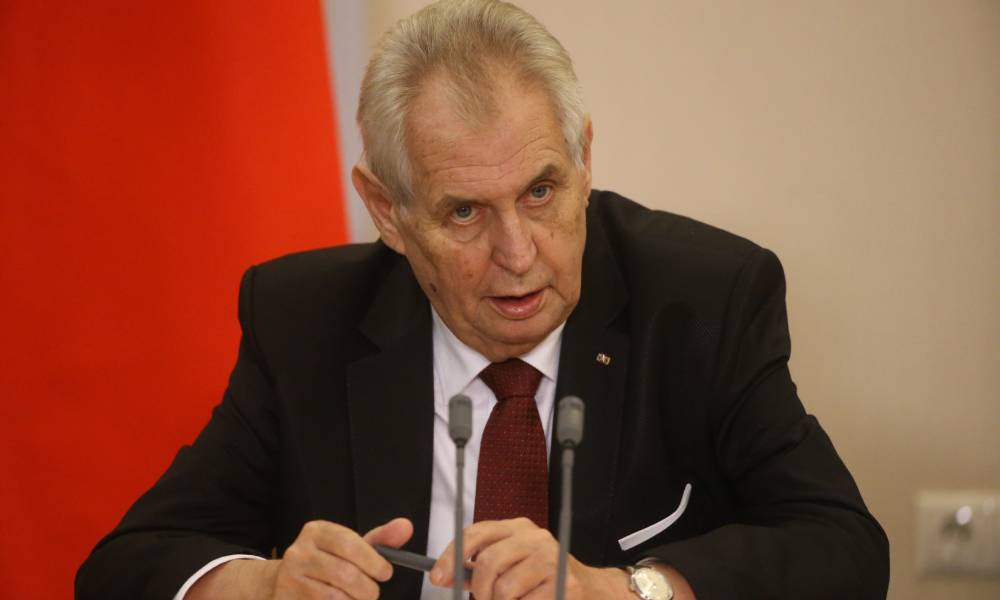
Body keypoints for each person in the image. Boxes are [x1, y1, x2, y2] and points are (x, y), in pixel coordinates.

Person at [76, 1, 890, 599]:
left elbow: (844, 549)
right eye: (464, 211)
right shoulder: (303, 322)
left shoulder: (703, 300)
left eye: (541, 191)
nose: (517, 253)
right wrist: (262, 586)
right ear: (388, 211)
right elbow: (123, 565)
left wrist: (628, 591)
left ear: (583, 159)